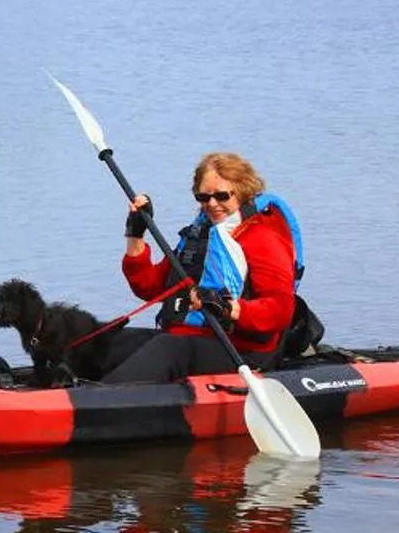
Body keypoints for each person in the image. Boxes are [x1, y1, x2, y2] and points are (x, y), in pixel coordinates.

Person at [100, 151, 303, 384]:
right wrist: (135, 234)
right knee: (108, 341)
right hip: (187, 338)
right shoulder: (200, 235)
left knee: (168, 348)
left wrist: (227, 308)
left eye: (222, 196)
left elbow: (280, 311)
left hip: (241, 350)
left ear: (244, 191)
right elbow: (150, 288)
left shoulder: (263, 238)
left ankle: (96, 402)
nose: (212, 204)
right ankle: (66, 390)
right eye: (204, 198)